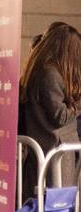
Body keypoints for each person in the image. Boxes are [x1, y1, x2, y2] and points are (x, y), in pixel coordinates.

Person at [21, 22, 81, 199]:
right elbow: (60, 116)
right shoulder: (49, 73)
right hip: (54, 150)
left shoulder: (43, 69)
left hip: (51, 149)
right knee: (55, 204)